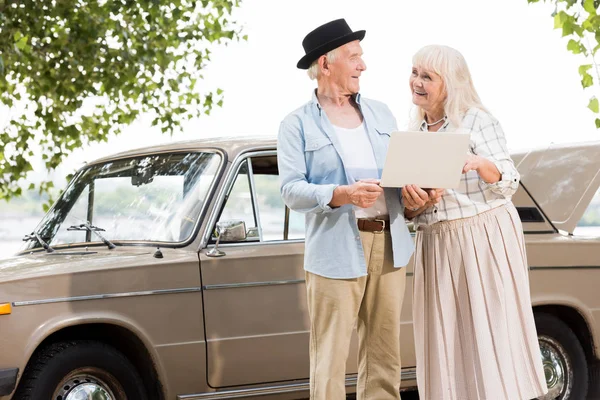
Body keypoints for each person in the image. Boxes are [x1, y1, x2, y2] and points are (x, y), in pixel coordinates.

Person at [277, 18, 414, 400]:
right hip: (336, 251)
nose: (362, 66)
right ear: (326, 64)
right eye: (354, 57)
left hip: (390, 245)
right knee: (330, 361)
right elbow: (291, 191)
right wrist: (342, 193)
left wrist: (417, 196)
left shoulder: (383, 113)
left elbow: (401, 177)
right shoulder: (296, 125)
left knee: (385, 358)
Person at [402, 44, 548, 400]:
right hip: (437, 244)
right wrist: (414, 203)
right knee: (447, 338)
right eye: (414, 72)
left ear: (450, 83)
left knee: (490, 334)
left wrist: (476, 162)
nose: (416, 82)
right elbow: (411, 211)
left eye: (427, 76)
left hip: (482, 238)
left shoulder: (477, 119)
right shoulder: (413, 132)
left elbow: (509, 181)